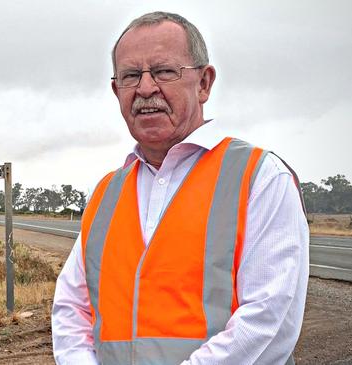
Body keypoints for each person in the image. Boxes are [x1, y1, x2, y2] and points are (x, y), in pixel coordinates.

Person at [51, 11, 308, 365]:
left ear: (204, 83)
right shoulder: (105, 194)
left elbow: (268, 320)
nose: (145, 88)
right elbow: (71, 308)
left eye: (164, 71)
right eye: (130, 76)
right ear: (116, 91)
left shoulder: (260, 177)